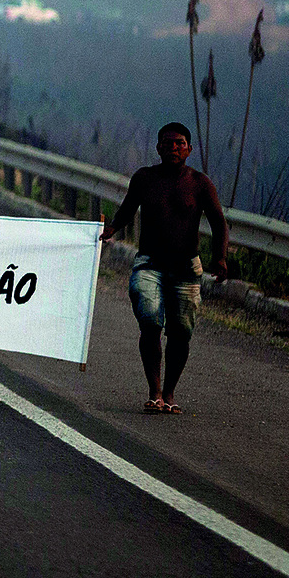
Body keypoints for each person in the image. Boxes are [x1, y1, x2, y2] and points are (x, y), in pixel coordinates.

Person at [102, 123, 230, 415]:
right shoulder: (145, 178)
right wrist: (111, 228)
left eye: (179, 143)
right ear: (158, 147)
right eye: (167, 143)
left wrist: (220, 257)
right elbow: (127, 209)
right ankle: (154, 391)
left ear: (189, 149)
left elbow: (219, 222)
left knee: (181, 332)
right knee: (150, 321)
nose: (173, 148)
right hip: (149, 263)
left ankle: (170, 392)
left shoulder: (200, 183)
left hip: (186, 268)